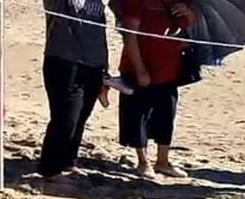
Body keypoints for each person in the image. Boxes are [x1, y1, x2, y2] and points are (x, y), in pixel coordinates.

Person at [117, 0, 196, 179]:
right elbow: (129, 35)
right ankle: (142, 162)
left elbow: (190, 28)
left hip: (169, 70)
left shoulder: (181, 1)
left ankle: (163, 161)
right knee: (138, 116)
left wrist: (187, 13)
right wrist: (140, 70)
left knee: (166, 115)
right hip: (140, 67)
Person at [38, 0, 108, 178]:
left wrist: (105, 66)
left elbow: (101, 30)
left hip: (94, 63)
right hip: (64, 61)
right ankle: (50, 168)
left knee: (81, 116)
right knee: (66, 117)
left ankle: (68, 161)